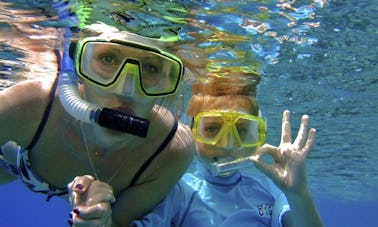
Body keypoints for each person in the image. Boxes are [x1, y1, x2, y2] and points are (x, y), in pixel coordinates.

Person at [0, 22, 194, 226]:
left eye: (151, 68)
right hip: (11, 164)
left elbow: (118, 223)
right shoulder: (34, 103)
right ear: (78, 65)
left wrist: (101, 222)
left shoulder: (172, 149)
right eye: (108, 58)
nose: (126, 90)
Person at [129, 74, 324, 226]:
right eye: (212, 129)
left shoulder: (272, 190)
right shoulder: (176, 191)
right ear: (191, 131)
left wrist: (299, 194)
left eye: (241, 131)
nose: (228, 144)